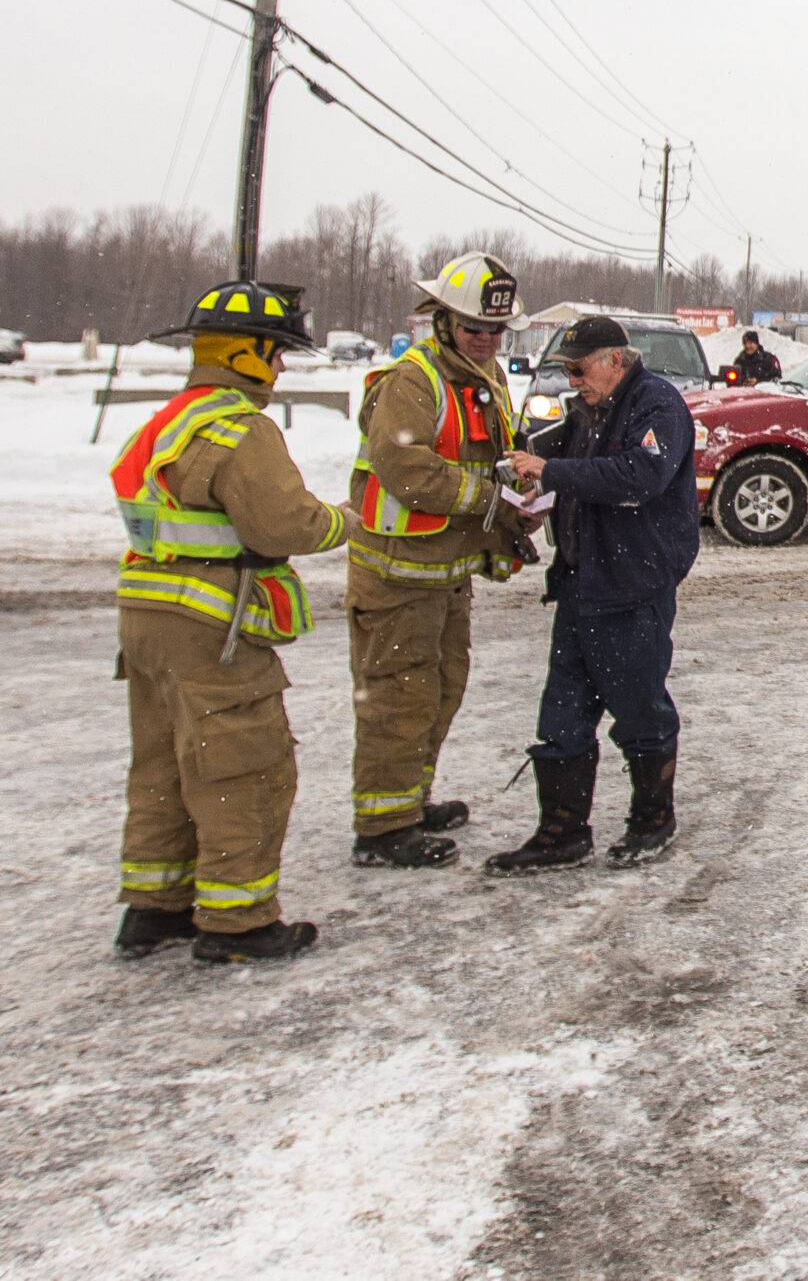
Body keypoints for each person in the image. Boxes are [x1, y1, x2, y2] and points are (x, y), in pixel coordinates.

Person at [109, 281, 350, 962]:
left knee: (163, 763)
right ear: (249, 354)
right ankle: (237, 921)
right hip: (211, 626)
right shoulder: (241, 427)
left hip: (146, 616)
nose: (278, 371)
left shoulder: (167, 421)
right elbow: (283, 521)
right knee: (244, 764)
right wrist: (340, 521)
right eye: (276, 356)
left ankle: (153, 908)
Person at [342, 252, 537, 869]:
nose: (485, 339)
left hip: (445, 573)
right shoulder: (412, 380)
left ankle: (408, 801)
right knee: (399, 695)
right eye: (473, 327)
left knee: (440, 689)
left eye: (494, 330)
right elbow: (408, 470)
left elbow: (493, 452)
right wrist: (488, 498)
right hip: (399, 575)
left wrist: (520, 491)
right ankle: (381, 828)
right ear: (442, 321)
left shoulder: (487, 377)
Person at [487, 316, 700, 871]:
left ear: (614, 360)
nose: (572, 380)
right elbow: (571, 465)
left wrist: (554, 472)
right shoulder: (590, 408)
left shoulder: (657, 405)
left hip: (633, 585)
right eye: (564, 370)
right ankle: (561, 833)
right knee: (561, 714)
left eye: (578, 369)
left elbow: (640, 477)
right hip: (582, 583)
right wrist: (533, 482)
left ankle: (653, 820)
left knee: (638, 711)